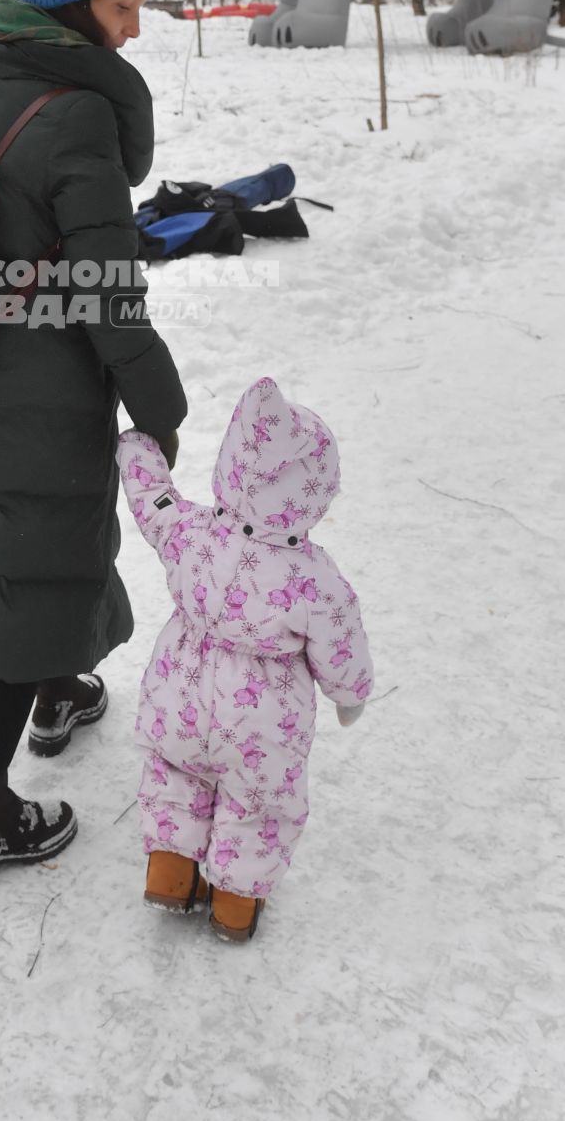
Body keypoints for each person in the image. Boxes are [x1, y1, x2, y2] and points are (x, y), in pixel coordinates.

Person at [0, 0, 187, 883]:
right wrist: (159, 408)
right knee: (31, 560)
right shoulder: (75, 118)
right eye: (123, 5)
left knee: (18, 550)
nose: (134, 27)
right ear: (79, 1)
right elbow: (109, 296)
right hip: (39, 387)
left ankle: (59, 687)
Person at [117, 376, 375, 942]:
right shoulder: (315, 577)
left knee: (175, 775)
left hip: (179, 696)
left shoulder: (193, 534)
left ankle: (171, 870)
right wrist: (350, 695)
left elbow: (152, 502)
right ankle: (234, 903)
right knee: (258, 806)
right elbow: (341, 640)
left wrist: (136, 447)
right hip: (260, 725)